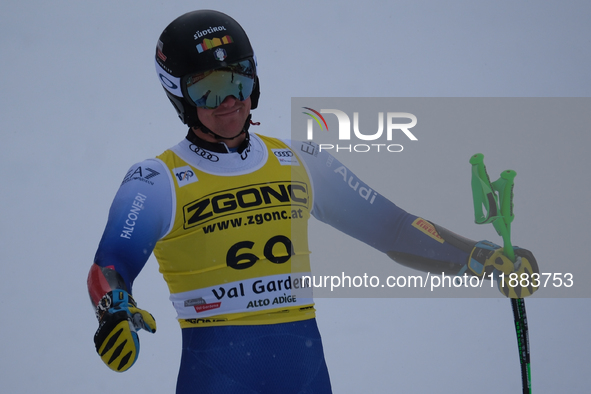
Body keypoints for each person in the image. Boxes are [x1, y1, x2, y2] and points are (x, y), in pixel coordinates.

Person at [88, 10, 539, 394]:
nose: (228, 102)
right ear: (177, 95)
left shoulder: (301, 159)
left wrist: (477, 257)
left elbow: (394, 228)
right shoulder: (155, 180)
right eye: (207, 90)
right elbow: (110, 267)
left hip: (306, 375)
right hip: (217, 375)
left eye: (238, 82)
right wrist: (114, 309)